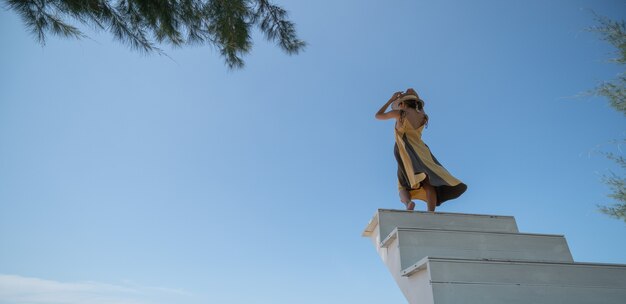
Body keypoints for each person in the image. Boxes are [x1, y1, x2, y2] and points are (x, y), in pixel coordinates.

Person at [375, 88, 467, 212]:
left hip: (406, 151)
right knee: (428, 182)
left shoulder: (400, 114)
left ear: (402, 104)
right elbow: (418, 106)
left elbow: (378, 115)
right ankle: (431, 212)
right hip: (422, 150)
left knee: (402, 185)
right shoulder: (423, 116)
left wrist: (391, 100)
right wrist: (413, 95)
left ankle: (408, 203)